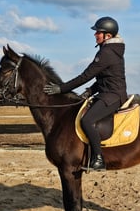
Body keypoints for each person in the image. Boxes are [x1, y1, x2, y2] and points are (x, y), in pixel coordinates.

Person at [43, 16, 128, 171]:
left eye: (98, 33)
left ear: (107, 35)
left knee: (87, 120)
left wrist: (61, 89)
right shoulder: (110, 50)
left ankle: (98, 158)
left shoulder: (107, 53)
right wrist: (90, 90)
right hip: (107, 93)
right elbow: (105, 78)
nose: (95, 35)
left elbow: (85, 76)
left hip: (112, 96)